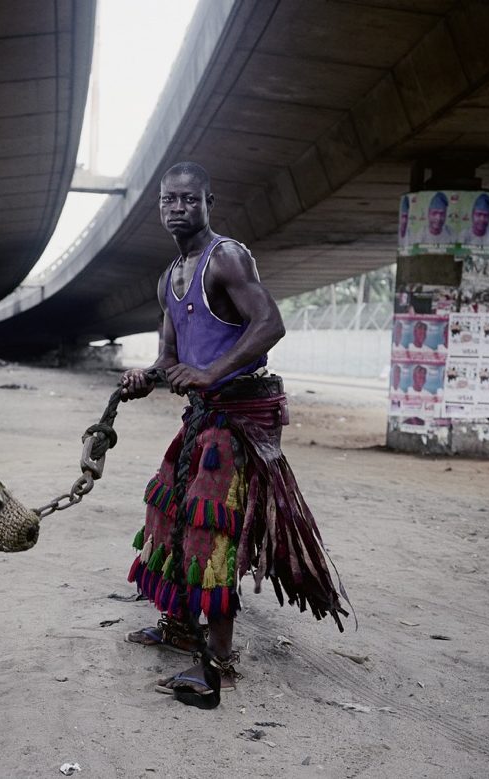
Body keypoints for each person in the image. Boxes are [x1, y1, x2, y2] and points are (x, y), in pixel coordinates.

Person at [118, 162, 349, 703]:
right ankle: (177, 626)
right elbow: (170, 360)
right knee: (168, 510)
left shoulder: (226, 257)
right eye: (167, 200)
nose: (176, 208)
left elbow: (270, 323)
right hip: (202, 417)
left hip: (236, 423)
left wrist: (210, 374)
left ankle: (218, 661)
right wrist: (143, 379)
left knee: (209, 534)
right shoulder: (168, 277)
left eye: (187, 199)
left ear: (207, 202)